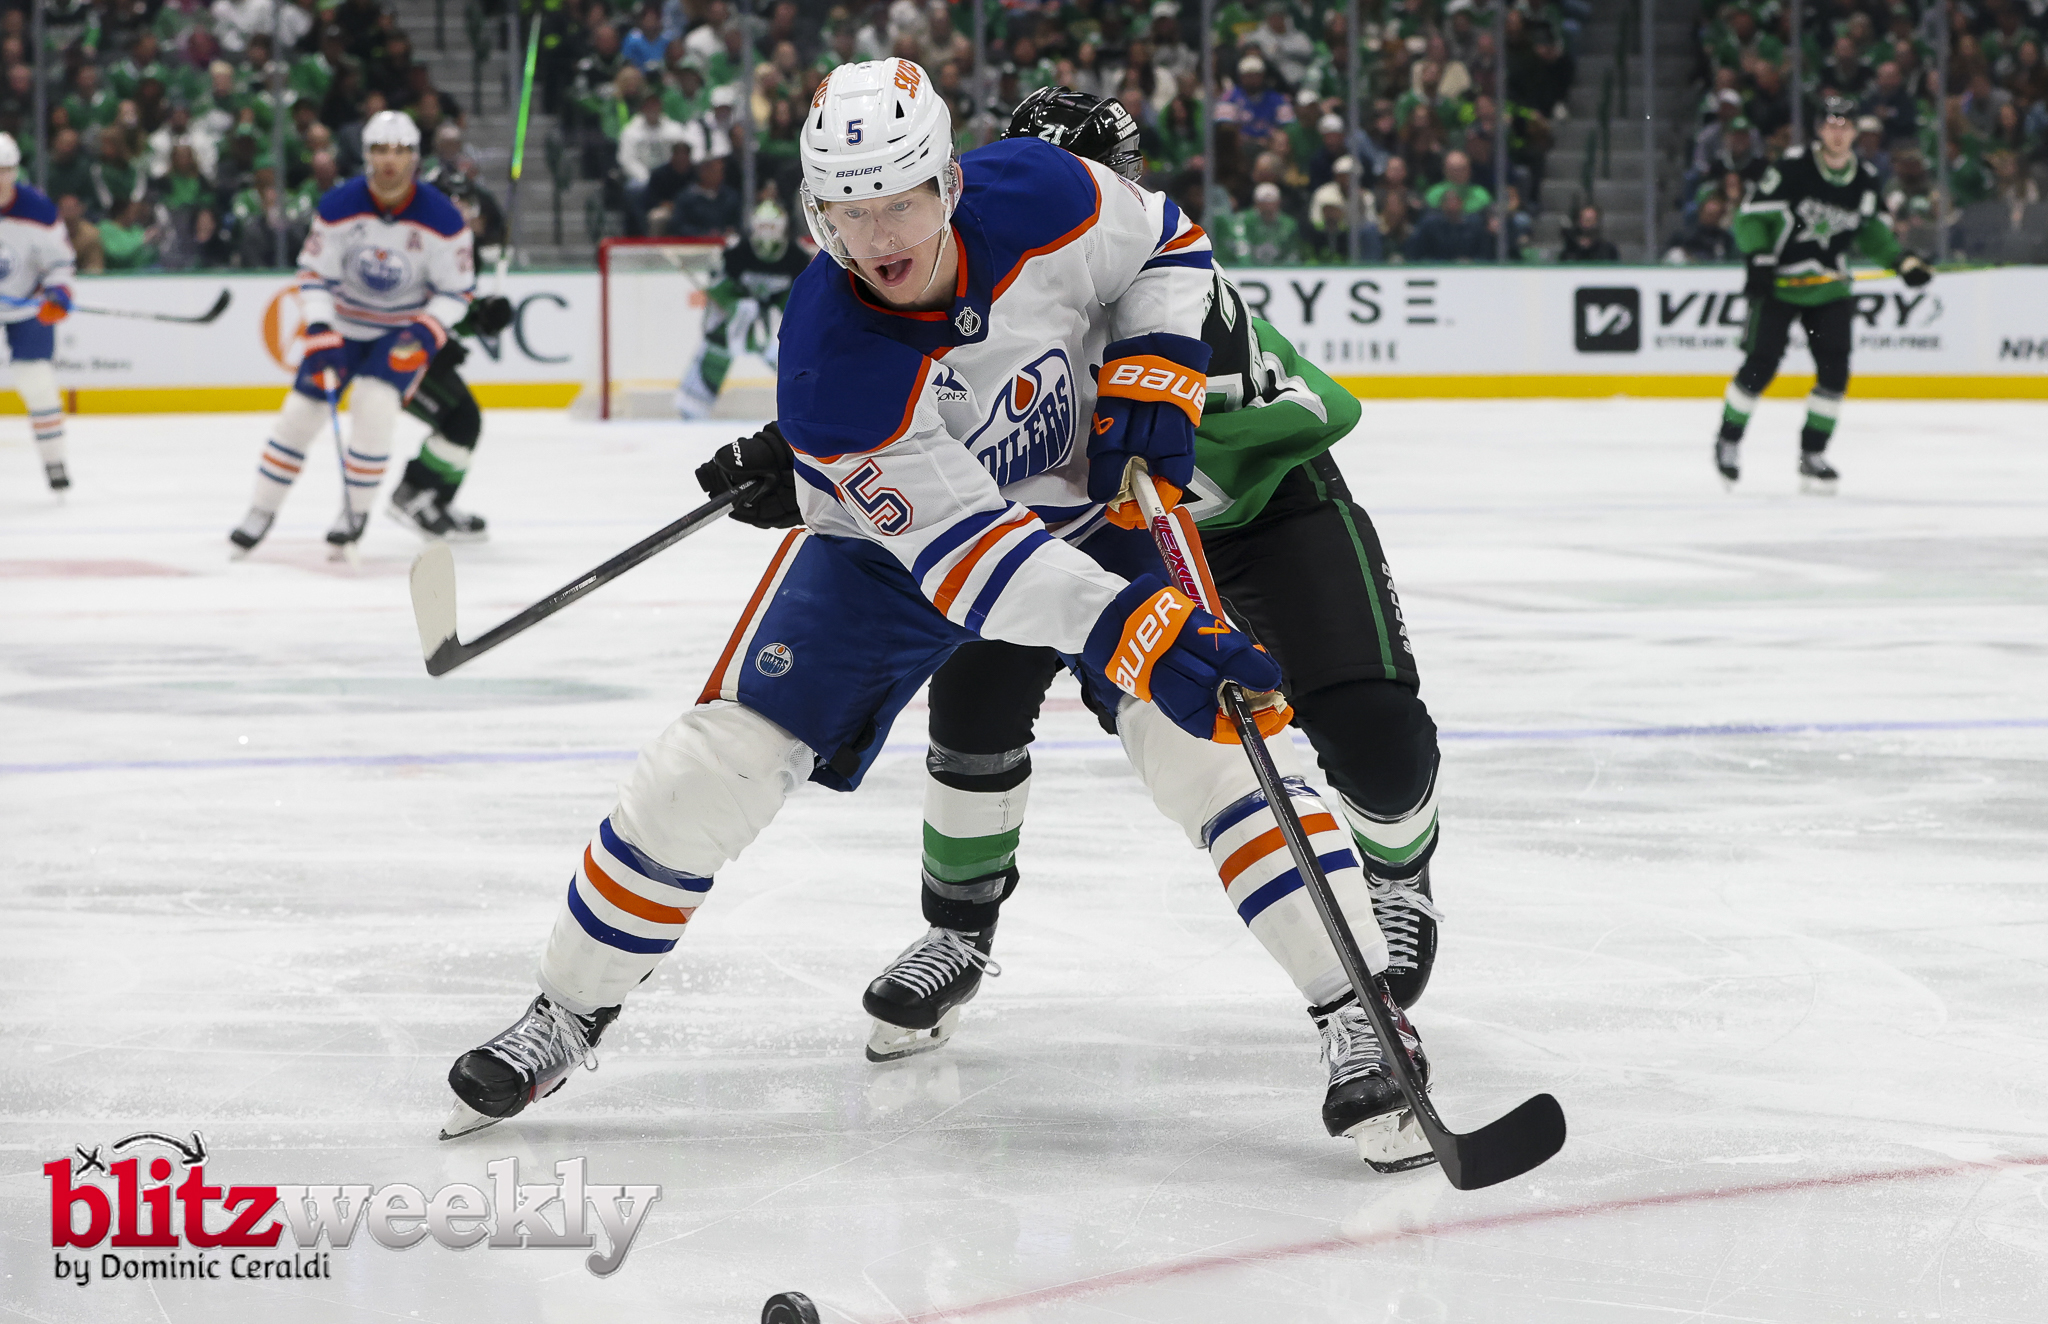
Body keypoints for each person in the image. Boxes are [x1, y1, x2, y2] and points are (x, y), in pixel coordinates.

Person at [442, 61, 1437, 1174]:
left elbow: (1166, 246)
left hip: (1086, 508)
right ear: (815, 212)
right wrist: (1131, 630)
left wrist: (1156, 368)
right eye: (847, 211)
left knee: (1211, 743)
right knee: (712, 765)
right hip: (903, 553)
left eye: (900, 203)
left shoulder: (1045, 192)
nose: (878, 238)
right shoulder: (832, 359)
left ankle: (1361, 1016)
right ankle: (565, 1011)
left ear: (950, 184)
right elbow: (972, 564)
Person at [699, 88, 1449, 1087]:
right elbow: (936, 423)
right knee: (975, 706)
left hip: (1256, 511)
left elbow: (1045, 382)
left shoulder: (1153, 287)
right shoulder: (1007, 272)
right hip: (1085, 531)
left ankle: (1396, 868)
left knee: (1372, 736)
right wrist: (807, 461)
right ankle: (957, 929)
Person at [226, 111, 476, 556]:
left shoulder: (442, 218)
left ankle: (354, 513)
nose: (390, 160)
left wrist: (425, 331)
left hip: (399, 333)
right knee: (299, 416)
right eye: (380, 150)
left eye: (400, 151)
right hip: (342, 327)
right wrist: (320, 326)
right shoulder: (340, 205)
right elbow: (313, 273)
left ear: (414, 157)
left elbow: (457, 291)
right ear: (366, 155)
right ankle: (261, 510)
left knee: (375, 409)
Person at [1716, 96, 1932, 493]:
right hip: (1779, 287)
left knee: (1834, 373)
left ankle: (1812, 453)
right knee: (1760, 366)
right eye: (1830, 124)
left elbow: (1871, 232)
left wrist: (1901, 261)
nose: (1837, 132)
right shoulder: (1793, 168)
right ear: (1819, 130)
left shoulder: (1864, 178)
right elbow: (1750, 217)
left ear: (1855, 132)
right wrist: (1759, 258)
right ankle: (1728, 440)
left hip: (1829, 289)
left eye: (1844, 125)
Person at [385, 291, 515, 540]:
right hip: (395, 354)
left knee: (466, 424)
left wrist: (479, 315)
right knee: (461, 422)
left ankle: (438, 501)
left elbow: (450, 297)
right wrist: (428, 339)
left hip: (422, 350)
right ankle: (410, 492)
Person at [675, 199, 810, 419]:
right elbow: (719, 288)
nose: (767, 232)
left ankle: (808, 400)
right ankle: (693, 403)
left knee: (791, 353)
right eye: (762, 226)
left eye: (772, 226)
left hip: (771, 319)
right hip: (735, 314)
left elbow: (799, 298)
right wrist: (737, 307)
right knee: (719, 341)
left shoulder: (797, 256)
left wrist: (780, 325)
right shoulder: (737, 251)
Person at [0, 133, 78, 494]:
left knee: (38, 384)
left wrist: (58, 292)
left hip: (27, 305)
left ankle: (54, 460)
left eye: (5, 170)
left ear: (16, 170)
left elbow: (60, 262)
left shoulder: (38, 209)